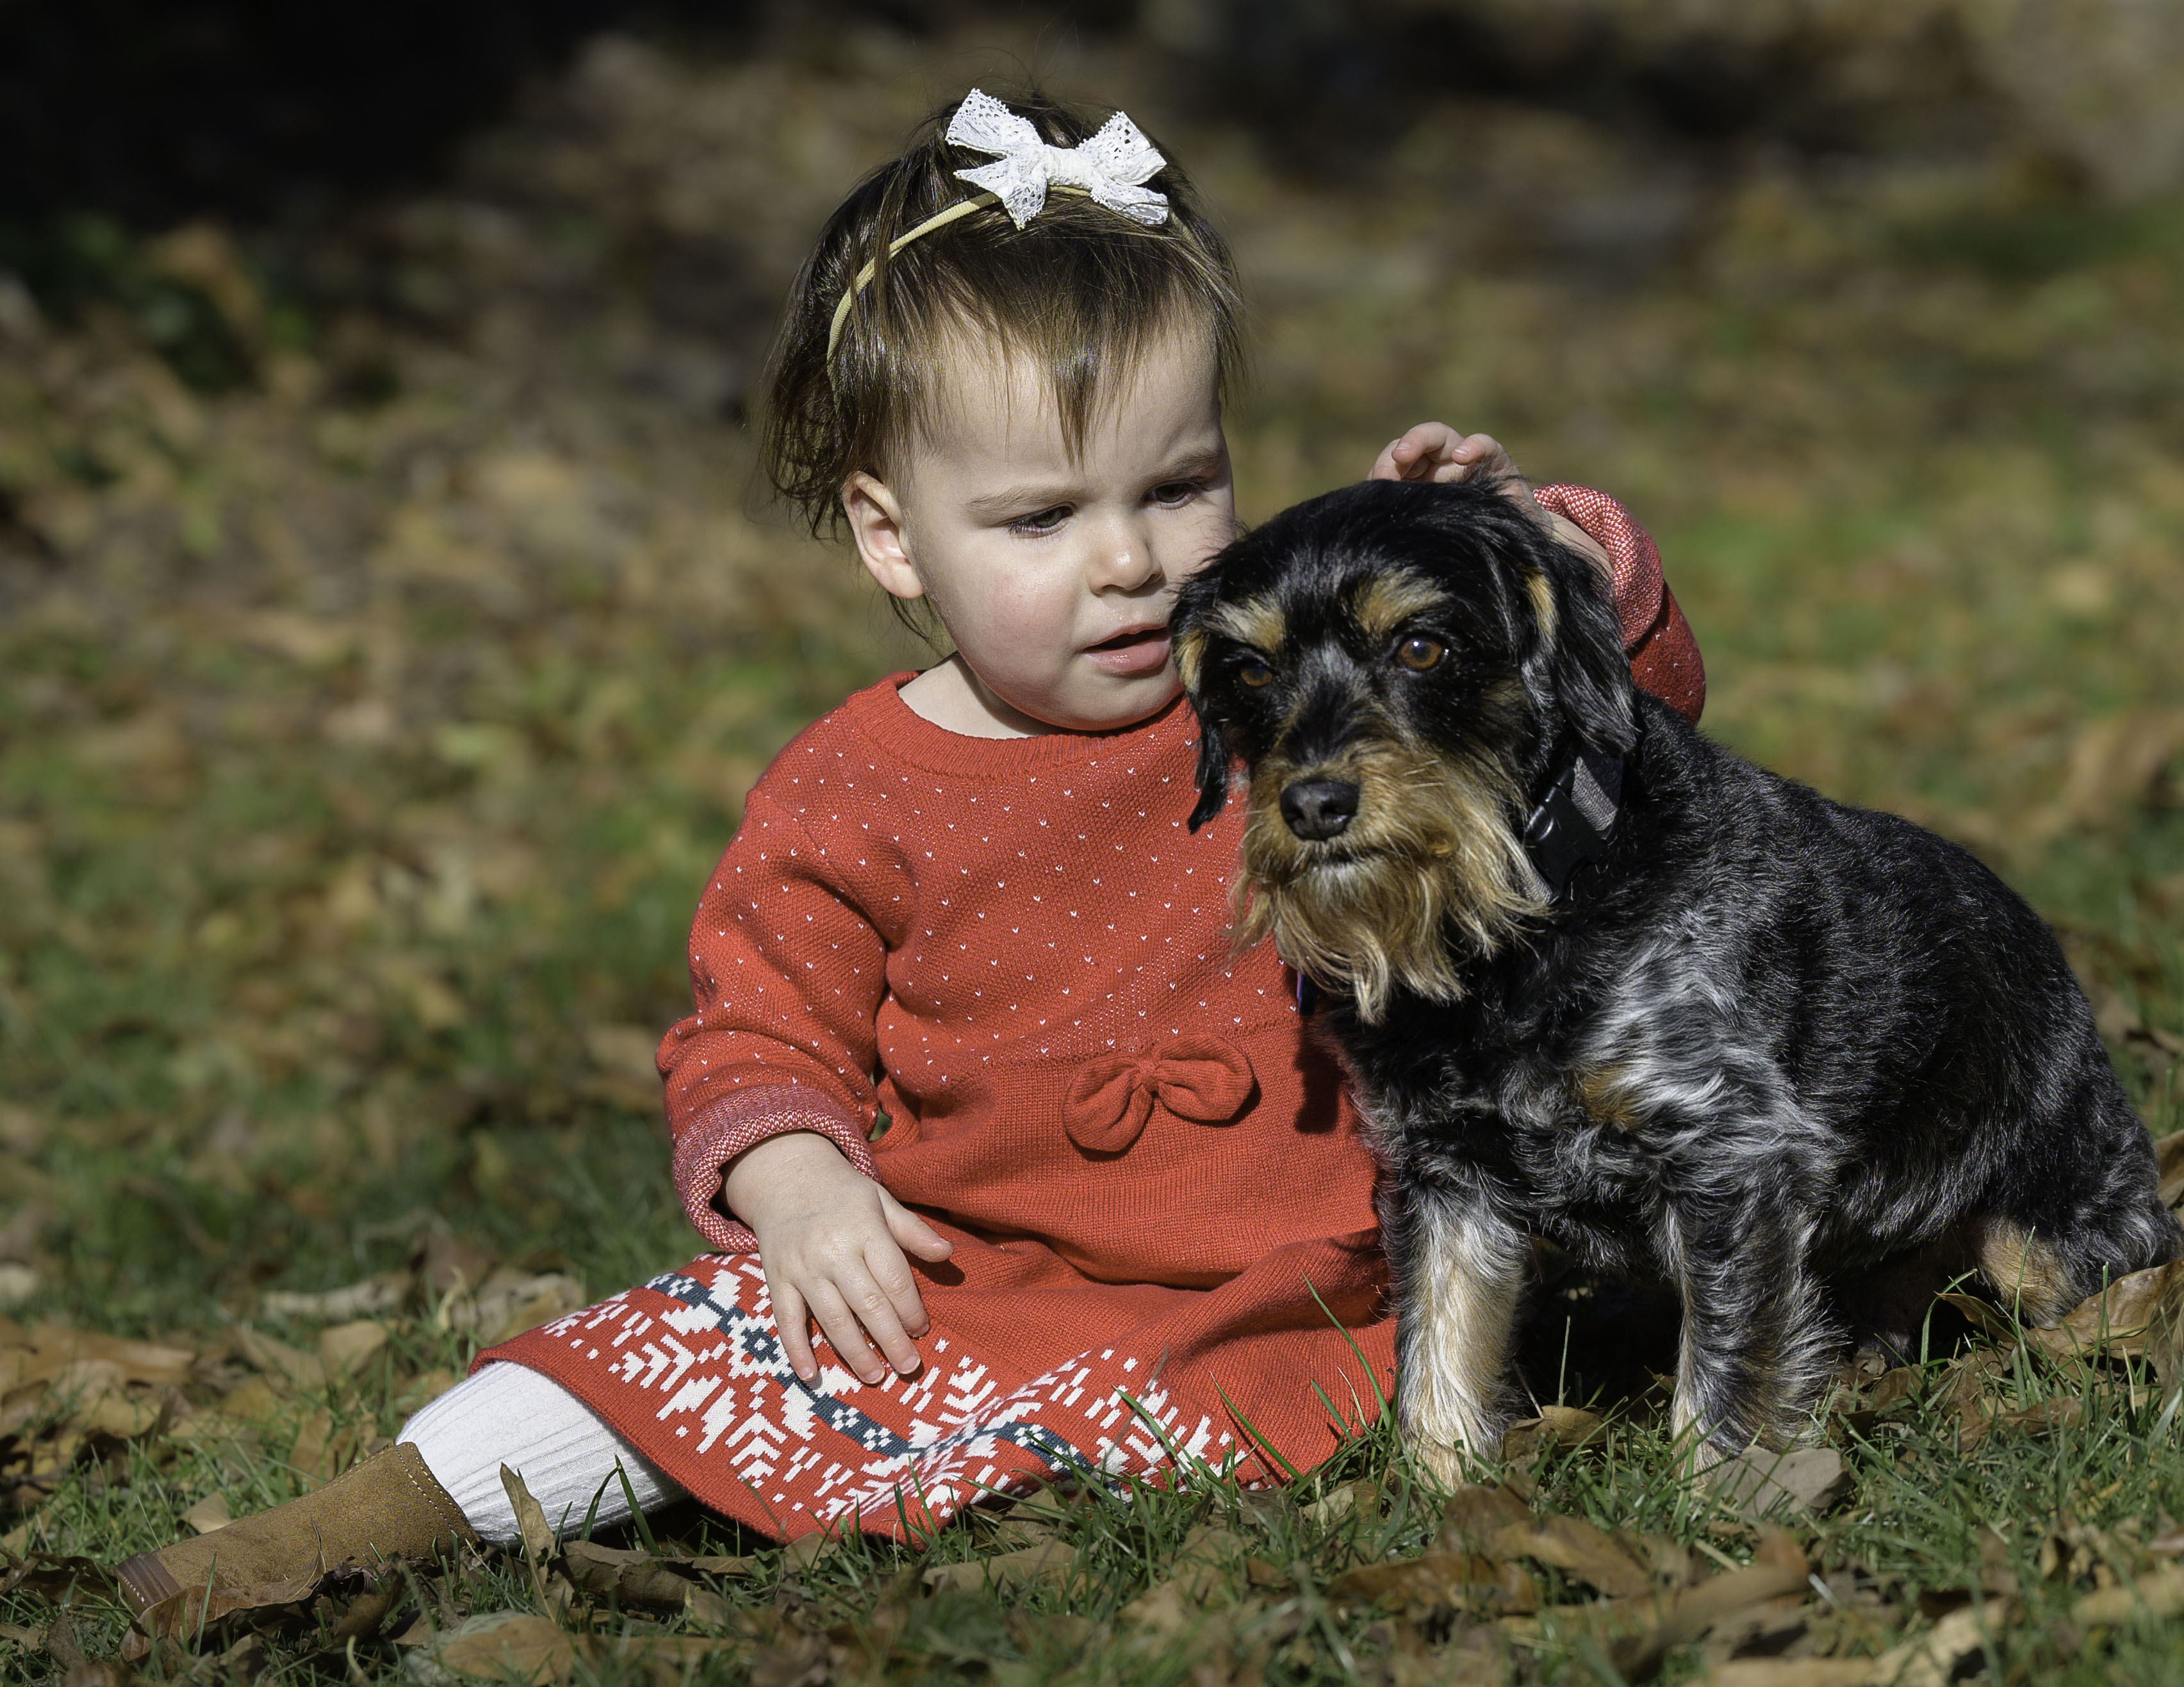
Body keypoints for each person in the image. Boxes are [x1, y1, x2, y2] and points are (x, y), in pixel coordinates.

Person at [118, 86, 1703, 1613]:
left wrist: (1535, 558)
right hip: (972, 1264)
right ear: (896, 536)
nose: (1132, 562)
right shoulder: (853, 786)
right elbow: (757, 1029)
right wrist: (801, 1186)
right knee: (667, 1341)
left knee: (1502, 1245)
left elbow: (1624, 722)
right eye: (1038, 521)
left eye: (1180, 485)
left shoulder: (1299, 688)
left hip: (1318, 1268)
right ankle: (355, 1523)